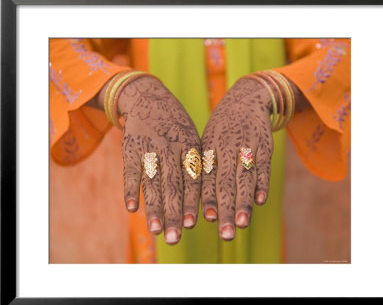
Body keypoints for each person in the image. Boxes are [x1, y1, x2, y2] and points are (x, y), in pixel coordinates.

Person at [50, 38, 351, 263]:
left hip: (250, 187)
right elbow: (50, 43)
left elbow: (353, 46)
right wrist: (127, 89)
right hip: (161, 183)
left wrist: (270, 89)